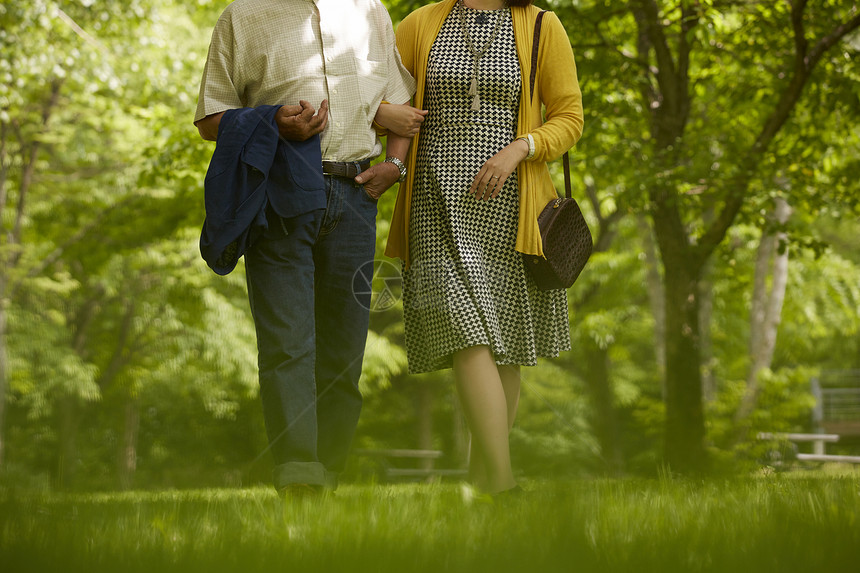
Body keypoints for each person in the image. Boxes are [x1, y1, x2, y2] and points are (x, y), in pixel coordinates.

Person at [193, 0, 421, 497]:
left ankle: (330, 472)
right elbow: (211, 119)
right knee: (287, 344)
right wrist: (273, 121)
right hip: (278, 193)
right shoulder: (242, 16)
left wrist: (395, 168)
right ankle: (298, 473)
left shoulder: (370, 13)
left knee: (345, 349)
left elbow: (400, 108)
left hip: (356, 193)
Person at [383, 0, 584, 495]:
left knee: (505, 344)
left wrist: (519, 148)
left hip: (511, 204)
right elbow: (378, 90)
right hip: (433, 201)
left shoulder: (541, 24)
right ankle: (502, 481)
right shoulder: (420, 22)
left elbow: (570, 117)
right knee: (465, 332)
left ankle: (483, 479)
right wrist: (384, 112)